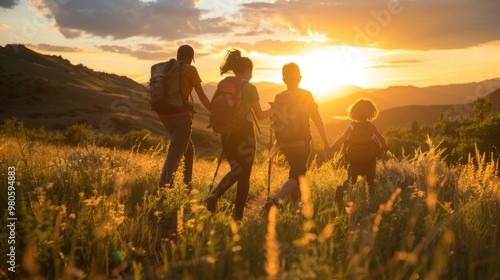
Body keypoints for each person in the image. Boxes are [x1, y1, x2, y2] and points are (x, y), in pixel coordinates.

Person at [205, 49, 271, 221]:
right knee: (244, 175)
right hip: (245, 133)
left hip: (226, 133)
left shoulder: (224, 85)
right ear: (248, 70)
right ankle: (237, 215)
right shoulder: (249, 87)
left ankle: (215, 196)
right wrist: (276, 108)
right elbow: (261, 115)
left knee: (236, 169)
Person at [264, 62, 330, 213]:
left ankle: (296, 207)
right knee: (297, 175)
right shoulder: (306, 95)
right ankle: (275, 201)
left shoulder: (279, 97)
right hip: (302, 142)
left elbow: (276, 121)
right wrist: (326, 142)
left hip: (285, 144)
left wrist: (275, 145)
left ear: (283, 79)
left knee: (295, 175)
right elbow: (317, 120)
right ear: (300, 78)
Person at [159, 45, 212, 190]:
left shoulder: (168, 69)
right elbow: (201, 95)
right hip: (182, 119)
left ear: (177, 56)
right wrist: (213, 111)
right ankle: (163, 190)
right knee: (174, 156)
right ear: (191, 58)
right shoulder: (191, 70)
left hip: (167, 118)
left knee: (188, 151)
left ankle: (187, 186)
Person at [328, 98, 387, 206]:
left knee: (351, 181)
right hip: (369, 159)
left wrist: (331, 148)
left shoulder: (352, 126)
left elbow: (342, 139)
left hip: (354, 159)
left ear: (354, 112)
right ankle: (370, 204)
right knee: (370, 182)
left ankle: (342, 189)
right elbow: (382, 139)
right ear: (370, 112)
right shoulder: (370, 126)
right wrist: (384, 148)